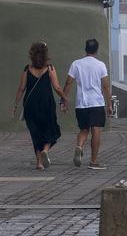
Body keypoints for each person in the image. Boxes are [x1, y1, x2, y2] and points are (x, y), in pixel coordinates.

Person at [11, 42, 68, 170]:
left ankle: (39, 163)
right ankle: (45, 151)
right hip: (46, 104)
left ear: (32, 54)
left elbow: (21, 89)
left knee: (35, 133)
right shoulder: (50, 68)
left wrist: (15, 105)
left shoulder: (27, 69)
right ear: (45, 55)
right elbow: (57, 87)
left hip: (30, 106)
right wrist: (65, 98)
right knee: (51, 129)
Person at [63, 39, 112, 170]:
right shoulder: (101, 65)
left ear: (85, 49)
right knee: (96, 130)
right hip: (96, 102)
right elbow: (106, 86)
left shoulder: (76, 64)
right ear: (97, 50)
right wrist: (109, 104)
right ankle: (93, 161)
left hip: (81, 103)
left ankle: (79, 146)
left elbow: (68, 82)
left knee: (84, 129)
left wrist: (64, 99)